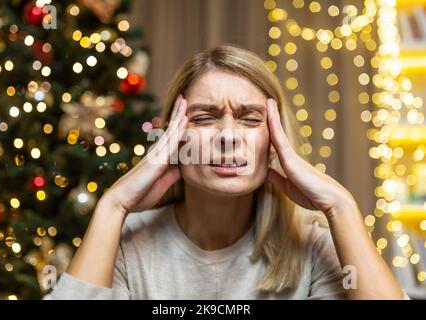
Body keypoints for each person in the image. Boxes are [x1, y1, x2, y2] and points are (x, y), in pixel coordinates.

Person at [45, 45, 406, 300]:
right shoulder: (127, 243)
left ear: (275, 141)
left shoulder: (313, 244)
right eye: (203, 118)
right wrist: (112, 207)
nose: (229, 136)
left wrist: (341, 207)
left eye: (251, 119)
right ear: (173, 137)